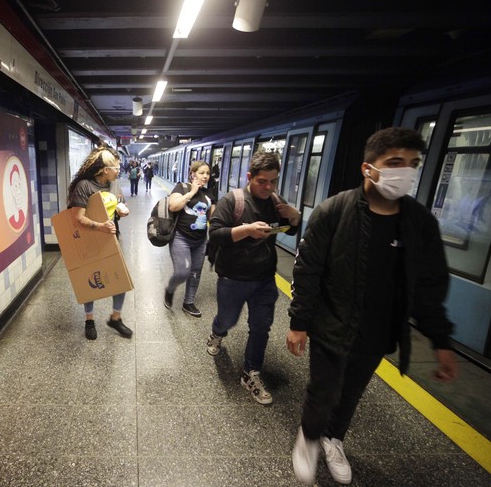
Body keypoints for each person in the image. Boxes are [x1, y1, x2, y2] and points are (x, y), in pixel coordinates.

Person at [287, 127, 458, 485]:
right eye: (394, 162)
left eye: (413, 164)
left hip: (378, 330)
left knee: (352, 391)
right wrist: (299, 322)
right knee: (323, 389)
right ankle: (310, 437)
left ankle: (333, 439)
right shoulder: (334, 211)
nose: (405, 171)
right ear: (368, 168)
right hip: (331, 322)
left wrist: (440, 340)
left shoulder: (420, 223)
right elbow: (308, 270)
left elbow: (429, 285)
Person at [206, 149, 301, 404]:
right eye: (262, 181)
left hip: (265, 279)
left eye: (273, 181)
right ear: (249, 177)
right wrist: (246, 230)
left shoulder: (275, 200)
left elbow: (289, 231)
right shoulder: (233, 201)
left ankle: (251, 372)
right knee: (227, 319)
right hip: (233, 278)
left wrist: (294, 218)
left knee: (261, 327)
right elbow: (215, 234)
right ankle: (217, 332)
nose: (268, 187)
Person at [67, 145, 133, 340]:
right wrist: (100, 226)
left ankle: (116, 318)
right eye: (116, 168)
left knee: (120, 279)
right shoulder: (84, 186)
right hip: (90, 239)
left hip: (111, 238)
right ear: (105, 170)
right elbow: (77, 218)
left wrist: (122, 210)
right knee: (91, 280)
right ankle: (89, 320)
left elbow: (119, 203)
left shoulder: (114, 185)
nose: (119, 171)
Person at [164, 161, 215, 317]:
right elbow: (173, 206)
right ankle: (170, 290)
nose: (205, 176)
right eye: (201, 173)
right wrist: (192, 192)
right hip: (181, 238)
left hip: (200, 240)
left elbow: (213, 217)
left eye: (207, 173)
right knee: (182, 272)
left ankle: (188, 303)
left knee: (195, 273)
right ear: (192, 173)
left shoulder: (209, 193)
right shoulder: (181, 187)